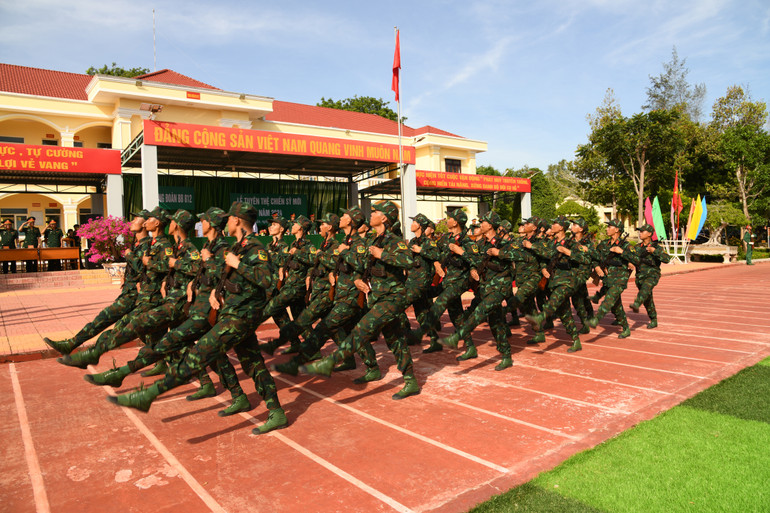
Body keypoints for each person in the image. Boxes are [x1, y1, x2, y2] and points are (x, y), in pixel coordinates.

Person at [109, 201, 289, 435]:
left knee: (199, 353)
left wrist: (239, 265)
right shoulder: (237, 247)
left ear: (236, 220)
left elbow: (267, 281)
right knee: (253, 365)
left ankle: (149, 395)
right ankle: (275, 411)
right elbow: (226, 278)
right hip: (231, 312)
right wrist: (216, 292)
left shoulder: (254, 248)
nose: (202, 223)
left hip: (240, 317)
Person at [300, 201, 420, 400]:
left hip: (392, 297)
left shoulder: (392, 240)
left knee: (362, 328)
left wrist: (383, 254)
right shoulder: (373, 239)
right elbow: (362, 264)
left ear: (384, 218)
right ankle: (410, 380)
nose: (371, 214)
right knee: (395, 340)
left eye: (375, 212)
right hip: (376, 297)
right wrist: (357, 278)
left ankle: (332, 361)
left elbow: (408, 260)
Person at [44, 211, 152, 355]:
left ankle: (74, 346)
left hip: (135, 295)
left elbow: (143, 268)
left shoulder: (147, 246)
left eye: (136, 219)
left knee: (105, 320)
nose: (132, 221)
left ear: (144, 224)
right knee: (130, 330)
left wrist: (130, 256)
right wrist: (126, 276)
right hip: (129, 292)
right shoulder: (136, 244)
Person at [441, 211, 515, 369]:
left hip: (500, 286)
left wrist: (500, 253)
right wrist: (474, 269)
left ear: (490, 225)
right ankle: (506, 355)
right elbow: (476, 260)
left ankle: (458, 336)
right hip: (486, 286)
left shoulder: (503, 242)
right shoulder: (482, 244)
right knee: (495, 322)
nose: (480, 224)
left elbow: (518, 254)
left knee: (480, 310)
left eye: (483, 222)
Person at [586, 219, 632, 338]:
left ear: (616, 230)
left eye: (609, 227)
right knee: (616, 305)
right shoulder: (603, 244)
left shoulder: (626, 245)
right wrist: (596, 267)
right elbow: (595, 257)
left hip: (620, 278)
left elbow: (636, 260)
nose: (607, 229)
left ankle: (597, 318)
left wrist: (621, 252)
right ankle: (625, 327)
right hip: (607, 278)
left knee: (609, 299)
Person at [626, 224, 671, 329]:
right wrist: (629, 262)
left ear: (650, 234)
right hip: (640, 276)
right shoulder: (637, 247)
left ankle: (636, 303)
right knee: (647, 299)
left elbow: (667, 259)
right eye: (639, 231)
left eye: (642, 231)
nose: (640, 233)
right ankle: (653, 318)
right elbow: (629, 257)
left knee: (645, 289)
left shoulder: (656, 247)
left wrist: (654, 252)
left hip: (652, 275)